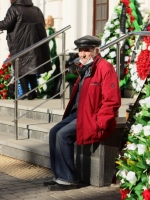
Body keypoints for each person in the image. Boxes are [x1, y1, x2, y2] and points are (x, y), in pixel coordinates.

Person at [44, 35, 121, 191]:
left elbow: (112, 100)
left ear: (96, 50)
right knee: (54, 132)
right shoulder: (85, 68)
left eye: (87, 50)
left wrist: (101, 121)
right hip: (79, 113)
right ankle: (59, 175)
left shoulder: (105, 68)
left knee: (62, 135)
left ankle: (69, 179)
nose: (82, 54)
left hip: (92, 117)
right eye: (80, 50)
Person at [0, 0, 52, 100]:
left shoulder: (14, 9)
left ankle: (26, 92)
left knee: (20, 68)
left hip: (20, 44)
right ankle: (33, 91)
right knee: (29, 68)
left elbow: (6, 24)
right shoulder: (36, 10)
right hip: (35, 44)